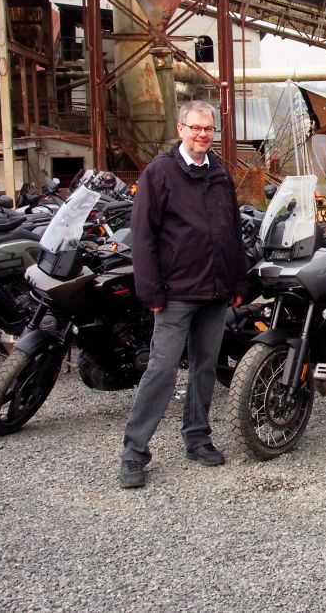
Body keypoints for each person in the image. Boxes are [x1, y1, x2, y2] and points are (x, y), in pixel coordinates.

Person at [118, 100, 247, 489]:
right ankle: (134, 453)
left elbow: (232, 233)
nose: (202, 135)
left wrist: (237, 282)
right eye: (195, 128)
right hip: (175, 293)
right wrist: (151, 290)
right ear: (181, 129)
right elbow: (142, 237)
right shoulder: (159, 174)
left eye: (208, 129)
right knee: (161, 369)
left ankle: (198, 438)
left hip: (215, 291)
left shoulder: (220, 173)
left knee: (206, 367)